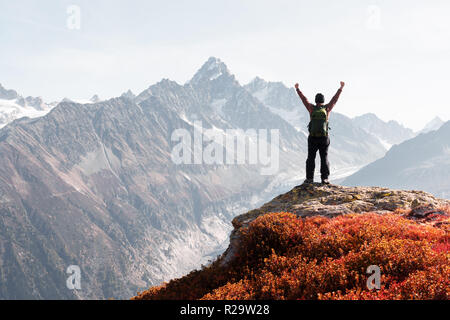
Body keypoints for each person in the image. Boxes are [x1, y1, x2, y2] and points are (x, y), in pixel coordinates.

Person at [295, 81, 345, 185]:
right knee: (324, 157)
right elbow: (334, 100)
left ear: (316, 100)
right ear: (323, 101)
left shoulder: (311, 108)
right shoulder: (327, 109)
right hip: (324, 138)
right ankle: (325, 179)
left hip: (313, 138)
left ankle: (309, 179)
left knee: (310, 158)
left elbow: (304, 100)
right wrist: (340, 88)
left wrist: (297, 89)